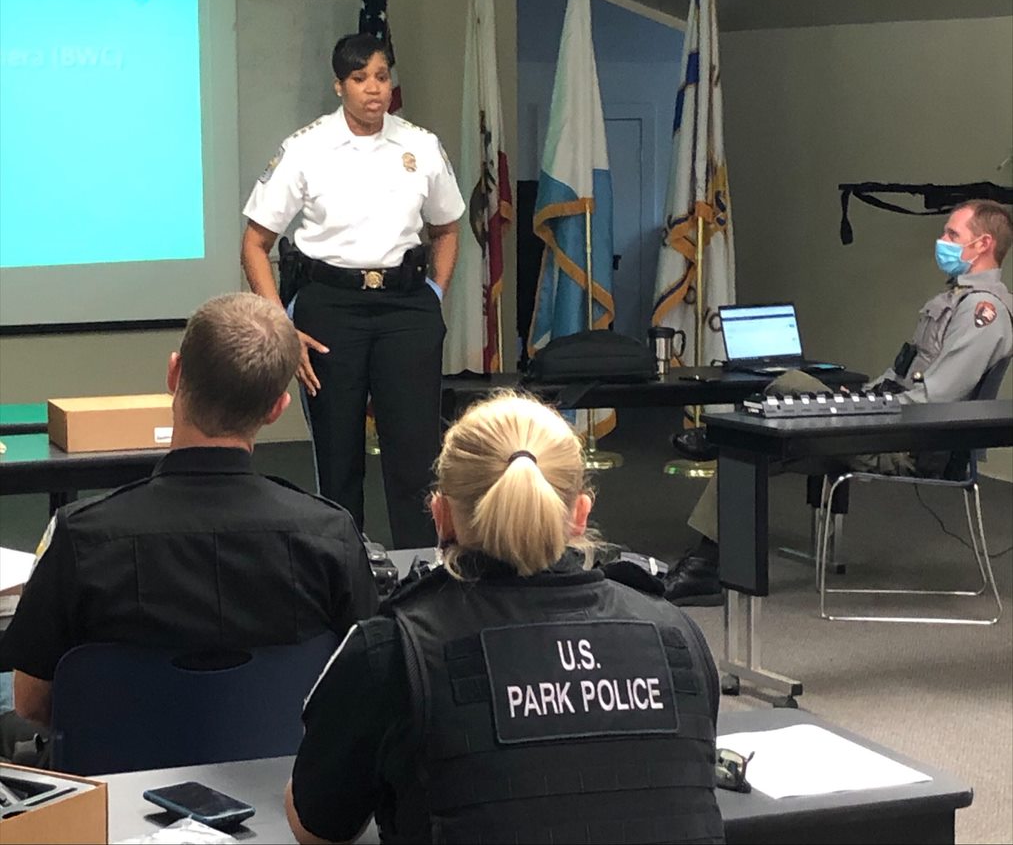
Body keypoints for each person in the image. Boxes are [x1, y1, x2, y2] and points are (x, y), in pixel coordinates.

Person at [284, 392, 725, 845]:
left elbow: (316, 827)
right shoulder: (678, 637)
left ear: (441, 517)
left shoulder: (393, 651)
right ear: (579, 516)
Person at [0, 293, 379, 737]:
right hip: (281, 786)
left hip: (116, 791)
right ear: (277, 408)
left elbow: (30, 702)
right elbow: (363, 689)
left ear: (174, 373)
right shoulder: (332, 537)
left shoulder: (81, 538)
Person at [665, 199, 1013, 606]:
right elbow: (901, 374)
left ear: (983, 244)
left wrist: (861, 411)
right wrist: (863, 397)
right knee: (783, 397)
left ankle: (713, 483)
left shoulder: (984, 313)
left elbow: (934, 398)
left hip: (908, 441)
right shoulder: (955, 299)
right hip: (886, 419)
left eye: (952, 235)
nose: (942, 242)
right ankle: (706, 553)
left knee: (757, 435)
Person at [241, 32, 465, 550]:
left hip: (406, 305)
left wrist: (434, 293)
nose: (374, 89)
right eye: (360, 78)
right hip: (329, 308)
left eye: (382, 77)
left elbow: (448, 228)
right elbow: (255, 243)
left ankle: (423, 568)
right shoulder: (306, 148)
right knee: (338, 458)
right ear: (339, 85)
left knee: (415, 456)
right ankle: (342, 571)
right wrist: (280, 326)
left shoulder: (420, 145)